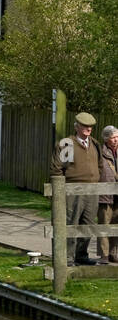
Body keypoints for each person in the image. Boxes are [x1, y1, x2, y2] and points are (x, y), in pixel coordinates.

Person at [50, 111, 102, 265]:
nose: (88, 129)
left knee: (88, 224)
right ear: (77, 127)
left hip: (92, 190)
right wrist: (60, 191)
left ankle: (81, 255)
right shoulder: (68, 143)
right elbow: (58, 169)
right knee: (71, 222)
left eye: (90, 127)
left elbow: (99, 166)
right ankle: (67, 257)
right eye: (85, 126)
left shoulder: (95, 144)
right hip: (73, 190)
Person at [100, 125, 118, 263]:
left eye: (117, 137)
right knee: (104, 224)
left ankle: (114, 253)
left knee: (116, 224)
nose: (116, 140)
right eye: (113, 137)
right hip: (105, 194)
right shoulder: (100, 153)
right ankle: (104, 255)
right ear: (106, 139)